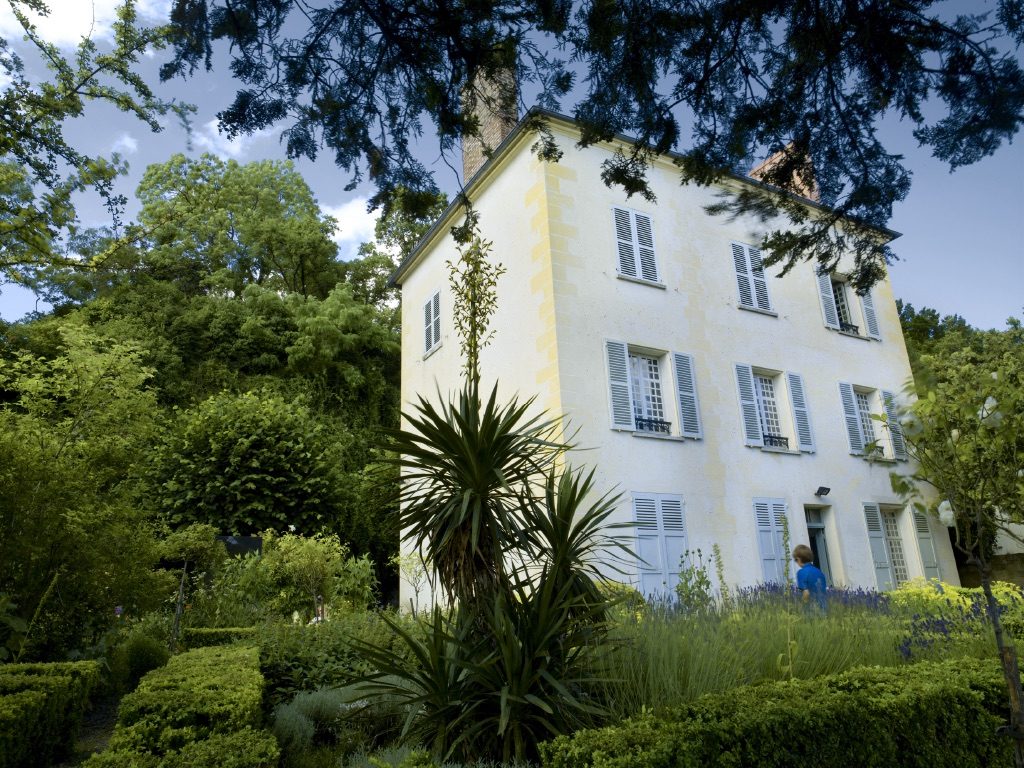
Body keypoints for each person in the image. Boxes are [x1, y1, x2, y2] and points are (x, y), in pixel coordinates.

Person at [792, 544, 827, 613]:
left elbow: (806, 593)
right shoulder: (819, 572)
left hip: (811, 610)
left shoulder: (801, 572)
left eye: (795, 560)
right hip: (823, 608)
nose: (796, 562)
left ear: (799, 559)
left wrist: (801, 607)